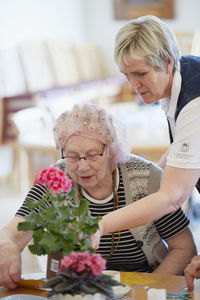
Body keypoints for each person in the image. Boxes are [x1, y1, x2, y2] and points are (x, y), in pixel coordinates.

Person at [0, 104, 196, 289]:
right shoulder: (55, 179)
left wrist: (145, 290)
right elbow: (15, 230)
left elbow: (184, 249)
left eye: (92, 155)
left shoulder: (145, 177)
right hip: (78, 291)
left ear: (111, 150)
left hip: (144, 285)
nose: (82, 166)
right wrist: (7, 245)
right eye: (72, 156)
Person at [89, 15, 200, 253]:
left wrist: (100, 225)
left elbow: (172, 198)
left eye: (141, 74)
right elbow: (184, 145)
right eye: (127, 75)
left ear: (168, 63)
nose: (132, 86)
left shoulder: (195, 103)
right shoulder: (180, 74)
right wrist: (148, 176)